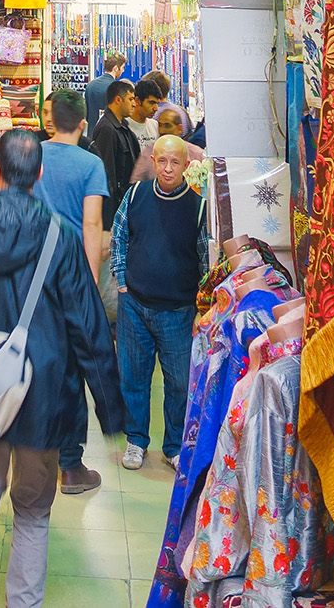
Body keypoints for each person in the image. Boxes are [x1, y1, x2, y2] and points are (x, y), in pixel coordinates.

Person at [0, 130, 124, 608]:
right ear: (38, 174)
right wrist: (113, 411)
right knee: (32, 512)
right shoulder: (62, 235)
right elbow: (90, 329)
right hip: (45, 398)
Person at [112, 134, 209, 470]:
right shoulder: (137, 194)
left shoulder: (198, 206)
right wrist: (122, 282)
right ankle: (136, 440)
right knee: (132, 378)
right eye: (162, 161)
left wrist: (202, 306)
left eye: (175, 162)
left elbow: (204, 259)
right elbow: (120, 233)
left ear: (186, 165)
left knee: (179, 381)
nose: (168, 168)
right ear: (153, 161)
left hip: (178, 311)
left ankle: (174, 444)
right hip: (135, 305)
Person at [34, 90, 109, 496]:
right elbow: (92, 224)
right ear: (82, 123)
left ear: (50, 119)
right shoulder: (90, 164)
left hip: (30, 277)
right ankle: (70, 465)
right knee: (71, 370)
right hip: (71, 279)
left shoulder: (30, 154)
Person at [89, 78, 140, 327]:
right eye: (131, 98)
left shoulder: (122, 128)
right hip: (113, 216)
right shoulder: (107, 130)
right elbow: (106, 177)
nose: (134, 103)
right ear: (118, 100)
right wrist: (107, 223)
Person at [83, 51, 126, 136]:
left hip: (91, 134)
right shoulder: (115, 88)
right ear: (116, 68)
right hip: (108, 135)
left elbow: (87, 114)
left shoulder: (90, 85)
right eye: (122, 67)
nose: (123, 71)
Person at [128, 76, 163, 153]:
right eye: (151, 103)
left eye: (157, 103)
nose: (156, 108)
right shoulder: (124, 126)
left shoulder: (155, 126)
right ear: (137, 100)